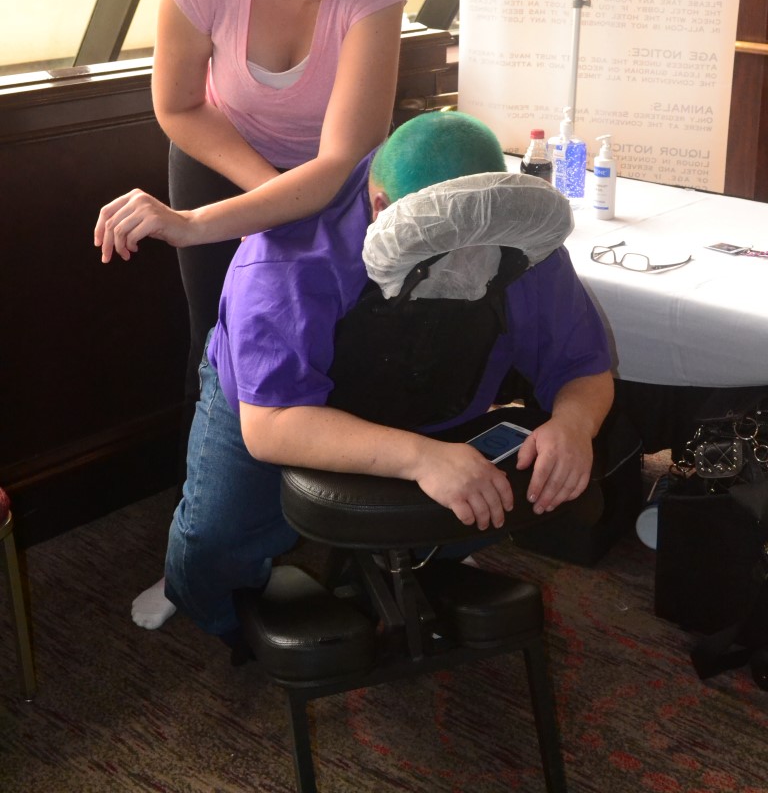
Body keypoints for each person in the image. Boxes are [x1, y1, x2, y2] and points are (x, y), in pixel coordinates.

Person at [98, 0, 407, 629]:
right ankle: (198, 554)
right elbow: (177, 105)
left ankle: (334, 535)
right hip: (220, 154)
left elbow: (341, 158)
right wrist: (258, 191)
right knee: (220, 353)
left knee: (339, 345)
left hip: (335, 175)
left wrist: (273, 201)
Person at [162, 111, 615, 640]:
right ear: (381, 209)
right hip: (276, 400)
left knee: (497, 494)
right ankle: (218, 616)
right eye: (442, 246)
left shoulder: (517, 237)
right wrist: (421, 458)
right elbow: (271, 425)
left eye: (478, 246)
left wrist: (574, 424)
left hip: (432, 390)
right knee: (216, 542)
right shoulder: (287, 256)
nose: (465, 264)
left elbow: (583, 366)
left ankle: (405, 563)